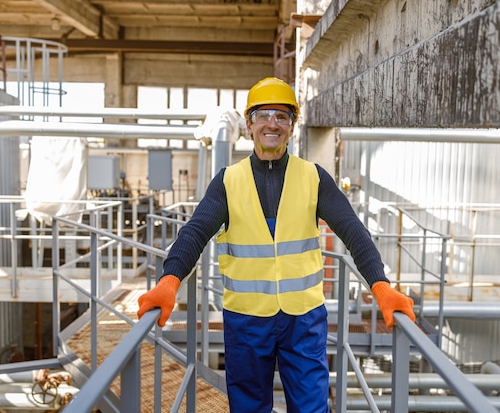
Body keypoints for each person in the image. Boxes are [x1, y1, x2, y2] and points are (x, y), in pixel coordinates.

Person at [137, 77, 416, 413]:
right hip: (246, 320)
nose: (273, 123)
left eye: (282, 116)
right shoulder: (228, 181)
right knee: (249, 407)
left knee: (312, 407)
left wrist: (381, 286)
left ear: (292, 126)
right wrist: (170, 281)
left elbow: (353, 231)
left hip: (303, 319)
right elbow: (194, 233)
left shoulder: (313, 177)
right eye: (264, 114)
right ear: (250, 123)